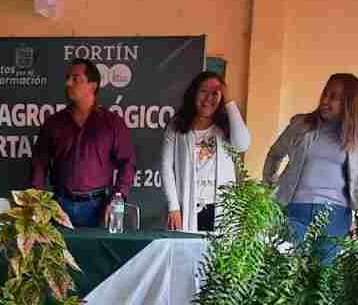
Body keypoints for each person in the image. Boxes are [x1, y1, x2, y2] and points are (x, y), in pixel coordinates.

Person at [263, 73, 358, 261]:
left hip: (336, 216)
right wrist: (271, 186)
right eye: (325, 94)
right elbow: (275, 154)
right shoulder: (301, 124)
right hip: (296, 210)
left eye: (334, 97)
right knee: (286, 273)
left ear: (348, 103)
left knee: (321, 280)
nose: (325, 101)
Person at [29, 60, 136, 228]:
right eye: (67, 78)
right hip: (59, 206)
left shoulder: (112, 123)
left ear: (92, 86)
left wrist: (117, 198)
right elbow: (39, 163)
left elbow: (127, 163)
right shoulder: (54, 123)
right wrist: (37, 200)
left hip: (100, 208)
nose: (68, 83)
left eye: (75, 79)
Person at [160, 70, 251, 232]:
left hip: (221, 208)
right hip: (187, 205)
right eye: (203, 91)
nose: (209, 98)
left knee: (217, 256)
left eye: (215, 93)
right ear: (194, 93)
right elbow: (166, 168)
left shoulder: (226, 125)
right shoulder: (177, 125)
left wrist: (229, 101)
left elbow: (242, 145)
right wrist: (173, 207)